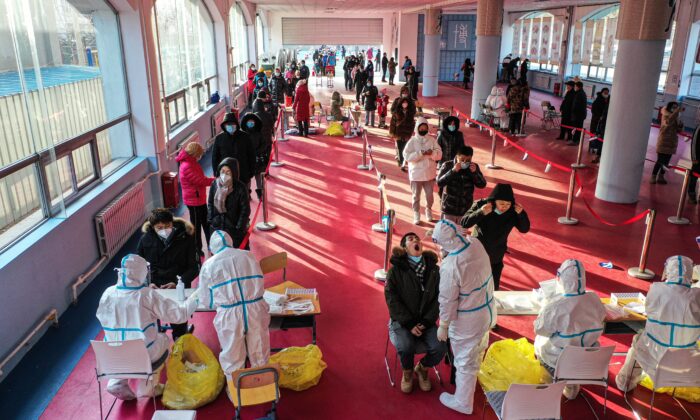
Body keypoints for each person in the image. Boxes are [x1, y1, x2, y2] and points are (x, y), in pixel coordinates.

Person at [96, 254, 199, 400]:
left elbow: (102, 317)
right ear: (141, 272)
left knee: (120, 342)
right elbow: (179, 315)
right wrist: (194, 299)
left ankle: (117, 381)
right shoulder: (146, 296)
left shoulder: (108, 293)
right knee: (163, 339)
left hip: (112, 356)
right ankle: (149, 386)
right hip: (142, 356)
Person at [432, 220, 495, 414]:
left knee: (464, 361)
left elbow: (448, 299)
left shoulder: (451, 265)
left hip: (468, 321)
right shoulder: (475, 244)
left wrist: (443, 325)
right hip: (487, 311)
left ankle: (463, 402)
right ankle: (469, 386)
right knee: (476, 352)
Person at [616, 255, 700, 392]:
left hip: (656, 359)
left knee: (638, 340)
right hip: (688, 366)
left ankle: (625, 382)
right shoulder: (697, 295)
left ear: (668, 271)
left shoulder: (657, 289)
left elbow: (649, 310)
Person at [196, 230, 270, 377]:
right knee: (260, 347)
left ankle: (236, 388)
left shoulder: (209, 265)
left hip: (229, 313)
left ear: (211, 248)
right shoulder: (248, 255)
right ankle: (263, 383)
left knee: (232, 352)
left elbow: (207, 300)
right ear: (231, 241)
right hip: (255, 308)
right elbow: (260, 280)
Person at [534, 259, 606, 399]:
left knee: (539, 341)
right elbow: (602, 315)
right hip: (587, 359)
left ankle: (549, 386)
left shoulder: (557, 306)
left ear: (561, 279)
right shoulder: (594, 298)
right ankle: (572, 386)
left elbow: (540, 329)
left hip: (560, 359)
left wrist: (545, 307)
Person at [384, 232, 446, 394]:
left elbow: (440, 298)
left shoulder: (434, 270)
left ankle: (422, 368)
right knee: (406, 346)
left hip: (426, 320)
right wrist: (409, 323)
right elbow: (392, 300)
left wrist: (426, 321)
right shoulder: (395, 271)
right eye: (410, 239)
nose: (415, 240)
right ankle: (407, 372)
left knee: (440, 347)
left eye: (417, 239)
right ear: (404, 248)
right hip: (402, 321)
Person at [137, 208, 198, 340]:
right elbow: (139, 267)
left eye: (168, 226)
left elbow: (194, 268)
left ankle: (180, 337)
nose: (164, 230)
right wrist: (148, 283)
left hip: (178, 287)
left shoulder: (185, 238)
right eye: (159, 227)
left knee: (178, 322)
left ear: (173, 223)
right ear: (153, 227)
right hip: (155, 288)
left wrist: (178, 283)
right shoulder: (145, 240)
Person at [461, 183, 530, 290]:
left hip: (496, 255)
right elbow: (464, 223)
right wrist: (481, 212)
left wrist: (522, 214)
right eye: (501, 204)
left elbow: (524, 229)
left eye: (507, 204)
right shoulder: (482, 205)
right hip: (477, 253)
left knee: (493, 288)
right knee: (473, 286)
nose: (504, 207)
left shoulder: (513, 211)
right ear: (494, 200)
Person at [176, 143, 215, 258]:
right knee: (197, 226)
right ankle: (197, 248)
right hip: (194, 201)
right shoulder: (188, 165)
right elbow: (200, 181)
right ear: (194, 153)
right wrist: (215, 181)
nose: (200, 156)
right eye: (199, 154)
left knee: (206, 222)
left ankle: (210, 244)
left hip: (198, 199)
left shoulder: (190, 162)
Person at [403, 117, 443, 225]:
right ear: (417, 128)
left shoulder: (432, 140)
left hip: (429, 174)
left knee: (429, 195)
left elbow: (439, 154)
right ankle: (416, 213)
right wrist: (420, 153)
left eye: (425, 128)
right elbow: (406, 156)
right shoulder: (412, 141)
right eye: (421, 128)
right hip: (416, 175)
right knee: (416, 195)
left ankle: (428, 210)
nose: (423, 130)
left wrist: (432, 154)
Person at [437, 146, 487, 224]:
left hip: (465, 209)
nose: (464, 162)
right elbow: (439, 182)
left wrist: (475, 173)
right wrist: (453, 171)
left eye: (468, 160)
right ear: (457, 157)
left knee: (461, 234)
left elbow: (482, 185)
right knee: (446, 233)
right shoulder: (447, 165)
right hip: (449, 208)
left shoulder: (474, 167)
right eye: (462, 159)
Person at [208, 158, 251, 248]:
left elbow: (245, 210)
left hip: (233, 229)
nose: (224, 174)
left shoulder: (240, 188)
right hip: (217, 227)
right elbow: (210, 203)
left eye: (228, 172)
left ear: (233, 173)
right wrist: (211, 220)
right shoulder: (214, 184)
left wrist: (238, 228)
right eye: (222, 171)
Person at [212, 112, 256, 192]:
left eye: (232, 124)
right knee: (228, 196)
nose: (230, 126)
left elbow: (251, 155)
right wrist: (216, 172)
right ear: (224, 126)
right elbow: (215, 157)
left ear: (236, 124)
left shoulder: (245, 136)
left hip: (243, 172)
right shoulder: (219, 138)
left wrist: (252, 171)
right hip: (225, 173)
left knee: (244, 194)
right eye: (228, 124)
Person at [651, 101, 684, 184]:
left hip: (672, 142)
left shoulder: (676, 117)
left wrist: (680, 126)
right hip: (664, 140)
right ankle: (653, 176)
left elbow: (678, 130)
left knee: (666, 162)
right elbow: (668, 122)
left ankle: (661, 176)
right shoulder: (665, 115)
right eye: (673, 107)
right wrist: (677, 112)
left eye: (676, 107)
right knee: (660, 160)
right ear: (669, 107)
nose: (675, 109)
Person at [241, 111, 269, 200]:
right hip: (246, 160)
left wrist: (257, 151)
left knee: (258, 177)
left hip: (258, 158)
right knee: (247, 178)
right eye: (249, 122)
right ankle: (247, 193)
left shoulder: (258, 133)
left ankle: (260, 193)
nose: (250, 124)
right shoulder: (243, 134)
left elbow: (264, 144)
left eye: (252, 122)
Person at [390, 95, 416, 170]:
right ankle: (401, 162)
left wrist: (410, 133)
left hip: (406, 134)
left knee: (405, 149)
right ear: (401, 103)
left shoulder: (410, 114)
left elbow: (412, 124)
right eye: (403, 102)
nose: (405, 104)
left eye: (406, 102)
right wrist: (392, 133)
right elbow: (392, 123)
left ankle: (403, 162)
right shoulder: (396, 113)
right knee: (399, 148)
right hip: (398, 134)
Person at [589, 88, 609, 163]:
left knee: (599, 137)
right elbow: (593, 110)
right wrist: (599, 116)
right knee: (594, 134)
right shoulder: (598, 100)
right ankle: (592, 148)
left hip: (602, 122)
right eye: (605, 92)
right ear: (602, 92)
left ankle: (596, 151)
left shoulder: (606, 101)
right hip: (596, 121)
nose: (606, 94)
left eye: (607, 93)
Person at [568, 81, 588, 146]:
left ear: (578, 87)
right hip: (580, 115)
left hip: (578, 115)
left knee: (576, 128)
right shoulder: (581, 93)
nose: (575, 88)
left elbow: (577, 105)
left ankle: (575, 140)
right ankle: (576, 140)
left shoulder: (579, 94)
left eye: (575, 86)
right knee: (578, 128)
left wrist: (573, 112)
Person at [688, 126, 700, 204]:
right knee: (694, 177)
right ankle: (691, 194)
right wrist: (694, 157)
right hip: (698, 159)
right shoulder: (699, 127)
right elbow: (694, 142)